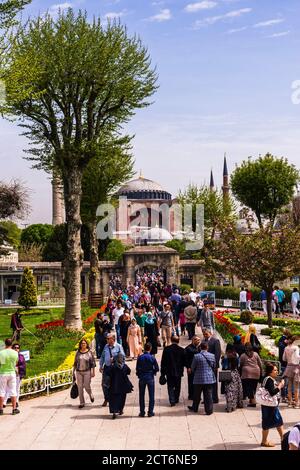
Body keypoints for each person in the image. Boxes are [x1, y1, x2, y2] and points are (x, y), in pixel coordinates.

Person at [260, 363, 285, 447]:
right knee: (272, 422)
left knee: (278, 422)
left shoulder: (267, 379)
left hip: (269, 405)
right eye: (275, 370)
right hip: (270, 406)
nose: (277, 371)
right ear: (270, 372)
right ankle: (264, 441)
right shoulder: (269, 380)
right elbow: (272, 392)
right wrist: (280, 386)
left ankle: (283, 439)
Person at [188, 341, 216, 415]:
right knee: (208, 395)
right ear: (207, 347)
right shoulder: (212, 356)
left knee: (196, 395)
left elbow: (193, 368)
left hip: (198, 379)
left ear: (200, 347)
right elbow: (214, 366)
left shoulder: (196, 356)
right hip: (209, 379)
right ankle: (209, 410)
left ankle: (195, 408)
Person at [100, 333, 125, 407]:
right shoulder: (106, 346)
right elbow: (102, 356)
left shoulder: (118, 347)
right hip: (107, 368)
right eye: (107, 339)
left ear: (113, 339)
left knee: (115, 384)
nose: (107, 340)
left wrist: (118, 363)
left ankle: (115, 400)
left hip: (115, 369)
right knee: (104, 384)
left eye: (108, 339)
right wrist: (101, 365)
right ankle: (106, 398)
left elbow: (122, 358)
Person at [107, 353, 133, 419]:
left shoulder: (113, 367)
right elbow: (129, 372)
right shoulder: (125, 366)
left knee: (113, 399)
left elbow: (108, 373)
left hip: (114, 385)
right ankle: (121, 410)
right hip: (123, 385)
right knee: (122, 398)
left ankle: (114, 411)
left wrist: (111, 362)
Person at [161, 336, 185, 406]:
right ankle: (176, 398)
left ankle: (172, 400)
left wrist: (162, 372)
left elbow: (163, 361)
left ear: (171, 340)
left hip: (169, 371)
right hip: (178, 371)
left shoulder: (166, 349)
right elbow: (184, 362)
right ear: (178, 341)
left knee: (170, 386)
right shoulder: (182, 350)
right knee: (178, 386)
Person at [136, 342, 159, 417]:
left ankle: (142, 412)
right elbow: (157, 368)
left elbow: (137, 368)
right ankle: (150, 412)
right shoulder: (152, 357)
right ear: (150, 348)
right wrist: (153, 372)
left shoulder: (140, 357)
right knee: (151, 395)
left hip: (142, 377)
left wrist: (139, 375)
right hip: (150, 377)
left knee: (141, 395)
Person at [73, 339, 96, 409]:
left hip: (87, 372)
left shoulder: (90, 352)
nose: (83, 345)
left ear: (86, 344)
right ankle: (82, 402)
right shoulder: (78, 352)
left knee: (86, 386)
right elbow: (75, 363)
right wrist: (73, 372)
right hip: (78, 371)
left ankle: (90, 394)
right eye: (82, 343)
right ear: (80, 345)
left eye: (84, 343)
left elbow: (93, 363)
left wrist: (93, 372)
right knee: (80, 387)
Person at [3, 343, 26, 409]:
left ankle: (16, 401)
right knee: (7, 388)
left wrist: (18, 368)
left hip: (18, 374)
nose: (16, 349)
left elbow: (23, 365)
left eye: (18, 348)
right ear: (12, 348)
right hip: (9, 374)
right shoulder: (9, 356)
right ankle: (4, 402)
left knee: (17, 389)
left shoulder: (21, 356)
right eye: (15, 347)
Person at [239, 343, 263, 407]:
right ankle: (251, 400)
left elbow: (240, 365)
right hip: (256, 372)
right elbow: (260, 364)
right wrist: (261, 372)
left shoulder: (243, 355)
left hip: (247, 373)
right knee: (254, 387)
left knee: (248, 387)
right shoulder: (256, 354)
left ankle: (253, 401)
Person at [221, 346, 243, 413]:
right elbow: (239, 365)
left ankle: (229, 407)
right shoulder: (236, 356)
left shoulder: (225, 357)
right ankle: (234, 405)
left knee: (229, 391)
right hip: (235, 374)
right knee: (235, 390)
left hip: (227, 374)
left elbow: (224, 366)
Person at [0, 338, 19, 415]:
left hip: (3, 372)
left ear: (5, 344)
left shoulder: (2, 353)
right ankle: (14, 409)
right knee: (13, 391)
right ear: (11, 344)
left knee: (2, 391)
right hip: (12, 373)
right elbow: (16, 362)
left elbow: (1, 363)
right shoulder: (15, 353)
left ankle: (0, 409)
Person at [202, 328, 221, 403]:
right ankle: (207, 398)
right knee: (205, 382)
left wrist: (215, 365)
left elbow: (217, 354)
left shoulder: (215, 341)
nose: (205, 336)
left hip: (213, 366)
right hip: (205, 366)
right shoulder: (203, 341)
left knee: (213, 382)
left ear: (210, 333)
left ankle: (215, 398)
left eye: (206, 334)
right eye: (204, 334)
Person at [283, 336, 300, 408]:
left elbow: (283, 358)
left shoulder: (286, 348)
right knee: (296, 387)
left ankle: (289, 403)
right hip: (296, 367)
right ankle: (296, 403)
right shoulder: (296, 348)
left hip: (289, 366)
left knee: (289, 386)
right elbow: (297, 357)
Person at [184, 336, 201, 400]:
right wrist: (188, 367)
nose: (198, 341)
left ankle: (197, 395)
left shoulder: (200, 348)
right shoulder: (188, 348)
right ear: (193, 340)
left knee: (198, 383)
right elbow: (186, 359)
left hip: (199, 368)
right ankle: (191, 395)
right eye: (197, 340)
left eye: (199, 340)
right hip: (191, 368)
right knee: (191, 382)